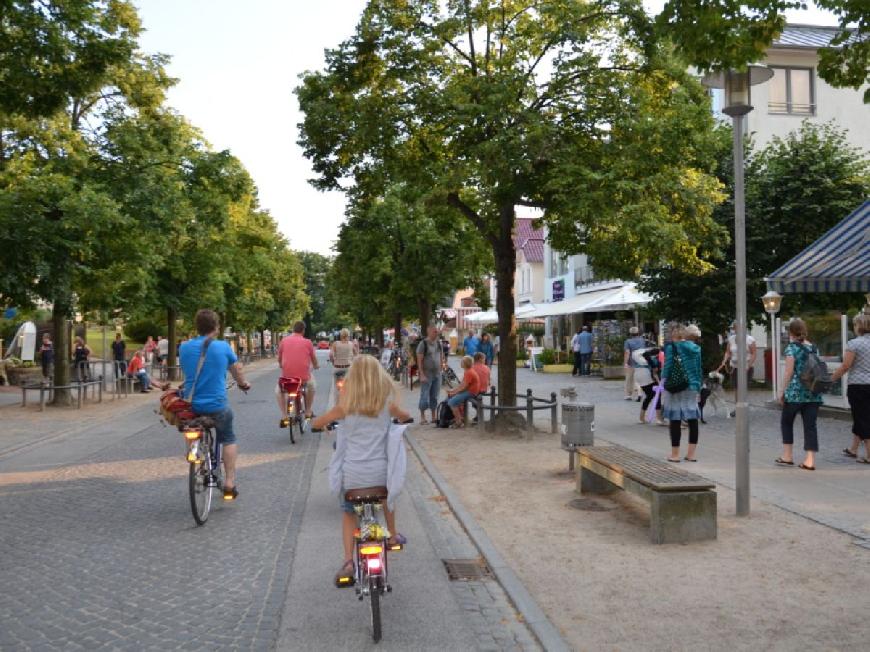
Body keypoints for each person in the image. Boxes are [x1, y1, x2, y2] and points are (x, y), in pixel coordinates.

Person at [311, 355, 411, 587]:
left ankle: (348, 562)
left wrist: (319, 423)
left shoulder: (345, 406)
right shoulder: (387, 402)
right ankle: (393, 535)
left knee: (348, 513)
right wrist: (405, 418)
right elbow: (405, 416)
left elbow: (318, 423)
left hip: (353, 476)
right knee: (388, 497)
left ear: (352, 378)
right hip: (380, 473)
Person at [179, 309, 251, 500]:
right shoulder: (223, 347)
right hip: (217, 405)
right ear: (216, 328)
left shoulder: (184, 347)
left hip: (191, 404)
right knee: (227, 437)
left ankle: (193, 450)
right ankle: (229, 482)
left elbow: (188, 373)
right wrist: (243, 384)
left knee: (190, 423)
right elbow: (236, 369)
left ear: (197, 327)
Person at [776, 318, 822, 470]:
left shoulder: (791, 348)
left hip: (795, 393)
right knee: (810, 426)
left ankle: (787, 456)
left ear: (791, 332)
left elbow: (789, 372)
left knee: (787, 422)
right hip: (813, 392)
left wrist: (781, 391)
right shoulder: (814, 348)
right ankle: (810, 460)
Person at [831, 313, 870, 464]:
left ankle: (868, 454)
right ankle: (853, 449)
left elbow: (846, 365)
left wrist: (831, 379)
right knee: (861, 417)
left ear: (859, 326)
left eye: (854, 325)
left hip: (859, 386)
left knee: (863, 418)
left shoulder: (854, 343)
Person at [662, 324, 703, 462]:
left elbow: (667, 366)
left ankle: (675, 455)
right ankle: (691, 455)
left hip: (675, 386)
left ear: (674, 336)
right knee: (692, 419)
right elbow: (698, 369)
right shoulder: (696, 349)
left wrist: (662, 381)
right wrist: (697, 386)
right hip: (692, 386)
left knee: (675, 419)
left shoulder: (671, 347)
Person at [277, 321, 320, 423]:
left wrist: (281, 364)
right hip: (303, 378)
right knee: (312, 386)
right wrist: (316, 366)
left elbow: (279, 359)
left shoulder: (283, 341)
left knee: (278, 391)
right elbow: (314, 360)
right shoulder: (308, 342)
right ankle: (308, 411)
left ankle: (284, 416)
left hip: (287, 378)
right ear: (303, 330)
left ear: (293, 329)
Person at [717, 323, 758, 416]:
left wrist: (749, 365)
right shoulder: (731, 339)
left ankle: (743, 407)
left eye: (736, 328)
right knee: (736, 388)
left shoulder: (749, 340)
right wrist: (724, 361)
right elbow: (728, 352)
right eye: (734, 329)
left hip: (746, 367)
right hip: (734, 367)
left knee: (742, 388)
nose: (734, 330)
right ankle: (738, 408)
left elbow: (754, 353)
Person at [416, 325, 444, 424]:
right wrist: (421, 374)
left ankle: (433, 416)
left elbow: (441, 356)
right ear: (429, 332)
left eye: (437, 332)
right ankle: (422, 417)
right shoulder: (423, 344)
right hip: (427, 373)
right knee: (424, 395)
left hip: (437, 373)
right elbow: (419, 360)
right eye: (434, 332)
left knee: (435, 395)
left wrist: (442, 366)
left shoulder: (439, 343)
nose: (436, 333)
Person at [447, 355, 481, 428]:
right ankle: (459, 418)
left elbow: (463, 386)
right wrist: (453, 391)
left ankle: (458, 421)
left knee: (452, 402)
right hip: (470, 391)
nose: (460, 363)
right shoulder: (468, 371)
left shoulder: (469, 372)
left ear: (465, 363)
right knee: (452, 399)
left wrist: (454, 392)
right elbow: (462, 385)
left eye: (462, 362)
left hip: (471, 392)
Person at [634, 346, 662, 424]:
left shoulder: (640, 356)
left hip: (638, 376)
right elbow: (655, 373)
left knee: (649, 396)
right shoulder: (654, 360)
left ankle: (641, 418)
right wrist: (659, 383)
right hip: (646, 377)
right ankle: (659, 419)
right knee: (657, 395)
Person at [623, 327, 646, 400]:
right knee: (639, 378)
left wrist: (625, 363)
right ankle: (639, 393)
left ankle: (628, 395)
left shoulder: (628, 341)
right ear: (638, 333)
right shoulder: (642, 340)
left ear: (630, 334)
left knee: (629, 378)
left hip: (631, 362)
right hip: (641, 362)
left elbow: (627, 352)